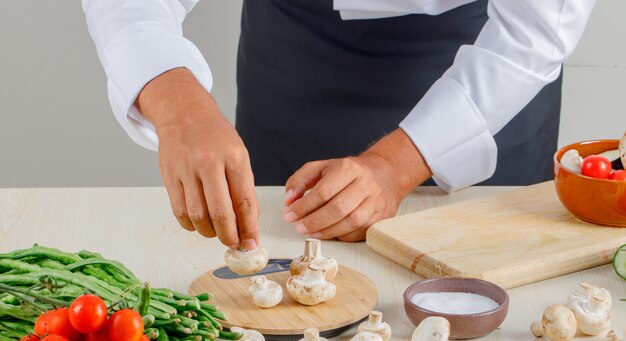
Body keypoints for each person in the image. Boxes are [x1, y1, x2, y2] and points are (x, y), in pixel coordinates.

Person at [82, 0, 595, 250]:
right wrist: (176, 101)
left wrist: (395, 166)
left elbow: (537, 30)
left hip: (485, 63)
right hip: (296, 49)